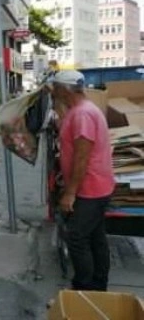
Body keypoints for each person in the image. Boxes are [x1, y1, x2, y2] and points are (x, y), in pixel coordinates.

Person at [50, 70, 115, 291]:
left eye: (56, 88)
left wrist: (70, 192)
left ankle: (84, 288)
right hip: (96, 186)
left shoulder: (83, 115)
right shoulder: (80, 110)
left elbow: (82, 157)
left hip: (90, 189)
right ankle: (98, 287)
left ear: (64, 90)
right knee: (95, 237)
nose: (54, 92)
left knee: (77, 237)